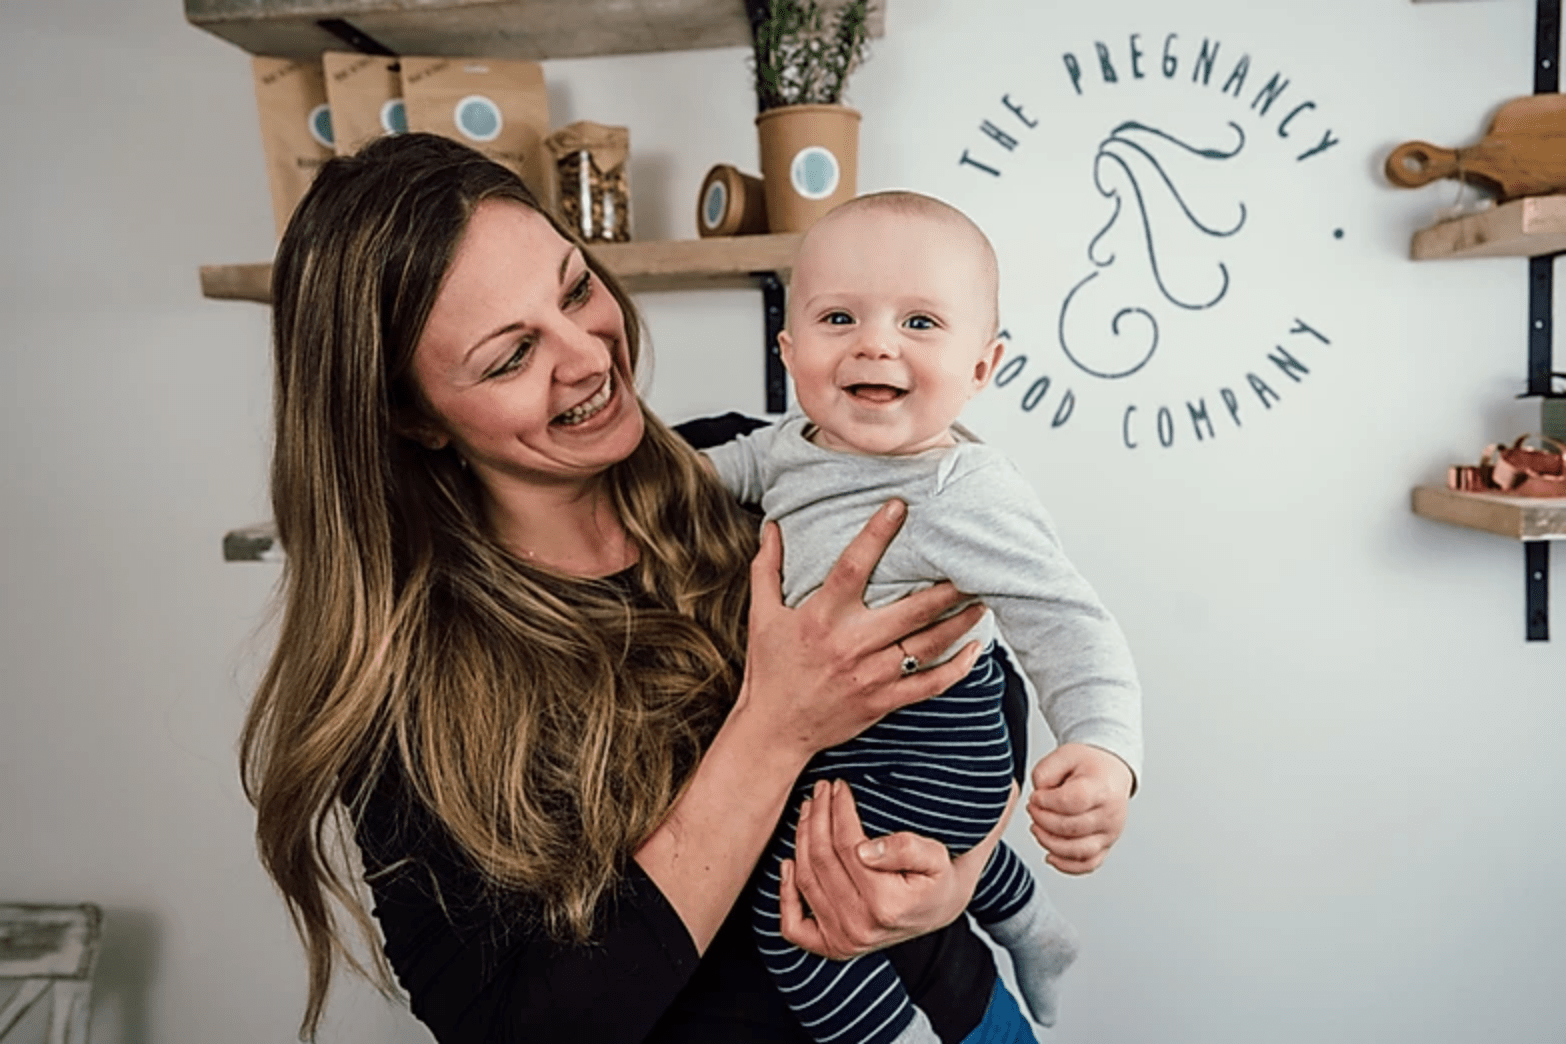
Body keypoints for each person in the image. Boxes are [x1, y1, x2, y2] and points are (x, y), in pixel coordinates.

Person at [237, 133, 1134, 1044]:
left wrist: (955, 878)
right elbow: (515, 1030)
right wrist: (774, 731)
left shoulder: (768, 471)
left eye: (576, 288)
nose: (587, 355)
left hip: (971, 1011)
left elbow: (990, 674)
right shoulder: (401, 686)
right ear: (411, 417)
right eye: (511, 356)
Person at [703, 191, 1143, 1044]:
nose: (876, 342)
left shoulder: (962, 491)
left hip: (931, 740)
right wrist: (627, 484)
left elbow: (1071, 624)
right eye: (840, 316)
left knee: (794, 908)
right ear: (789, 352)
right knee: (909, 849)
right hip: (879, 750)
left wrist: (1104, 751)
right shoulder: (796, 441)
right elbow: (717, 471)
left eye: (920, 322)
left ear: (983, 368)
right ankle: (1033, 929)